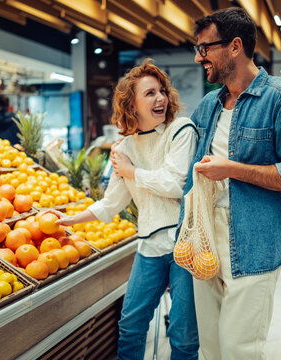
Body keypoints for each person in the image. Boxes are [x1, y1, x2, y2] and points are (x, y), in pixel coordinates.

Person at [178, 7, 281, 360]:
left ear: (235, 47)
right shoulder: (209, 106)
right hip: (204, 236)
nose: (199, 57)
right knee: (209, 347)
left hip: (254, 240)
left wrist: (232, 169)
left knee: (239, 349)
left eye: (205, 48)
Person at [49, 60, 199, 360]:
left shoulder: (181, 130)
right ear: (132, 105)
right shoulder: (124, 149)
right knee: (130, 324)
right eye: (150, 93)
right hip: (149, 246)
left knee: (183, 335)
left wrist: (132, 173)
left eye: (162, 91)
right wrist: (72, 219)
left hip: (185, 245)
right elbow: (112, 202)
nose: (160, 99)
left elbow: (175, 183)